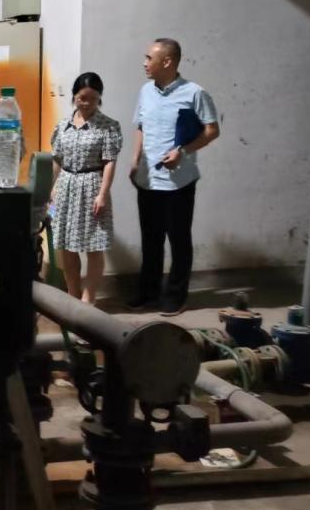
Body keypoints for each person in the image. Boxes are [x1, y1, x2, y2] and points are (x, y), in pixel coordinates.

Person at [127, 38, 220, 316]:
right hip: (148, 180)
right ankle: (148, 293)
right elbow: (141, 126)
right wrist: (135, 159)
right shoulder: (146, 91)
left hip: (178, 182)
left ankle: (176, 297)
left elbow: (212, 130)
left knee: (178, 240)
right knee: (150, 239)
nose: (144, 63)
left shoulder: (194, 93)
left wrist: (183, 151)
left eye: (149, 58)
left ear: (167, 61)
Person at [49, 72, 122, 304]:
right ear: (74, 96)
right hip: (65, 187)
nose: (87, 103)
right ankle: (72, 295)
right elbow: (57, 158)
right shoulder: (63, 125)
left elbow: (109, 162)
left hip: (92, 187)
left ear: (100, 98)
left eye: (93, 98)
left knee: (94, 244)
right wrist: (50, 188)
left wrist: (103, 194)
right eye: (82, 98)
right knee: (65, 244)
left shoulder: (108, 126)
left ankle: (89, 298)